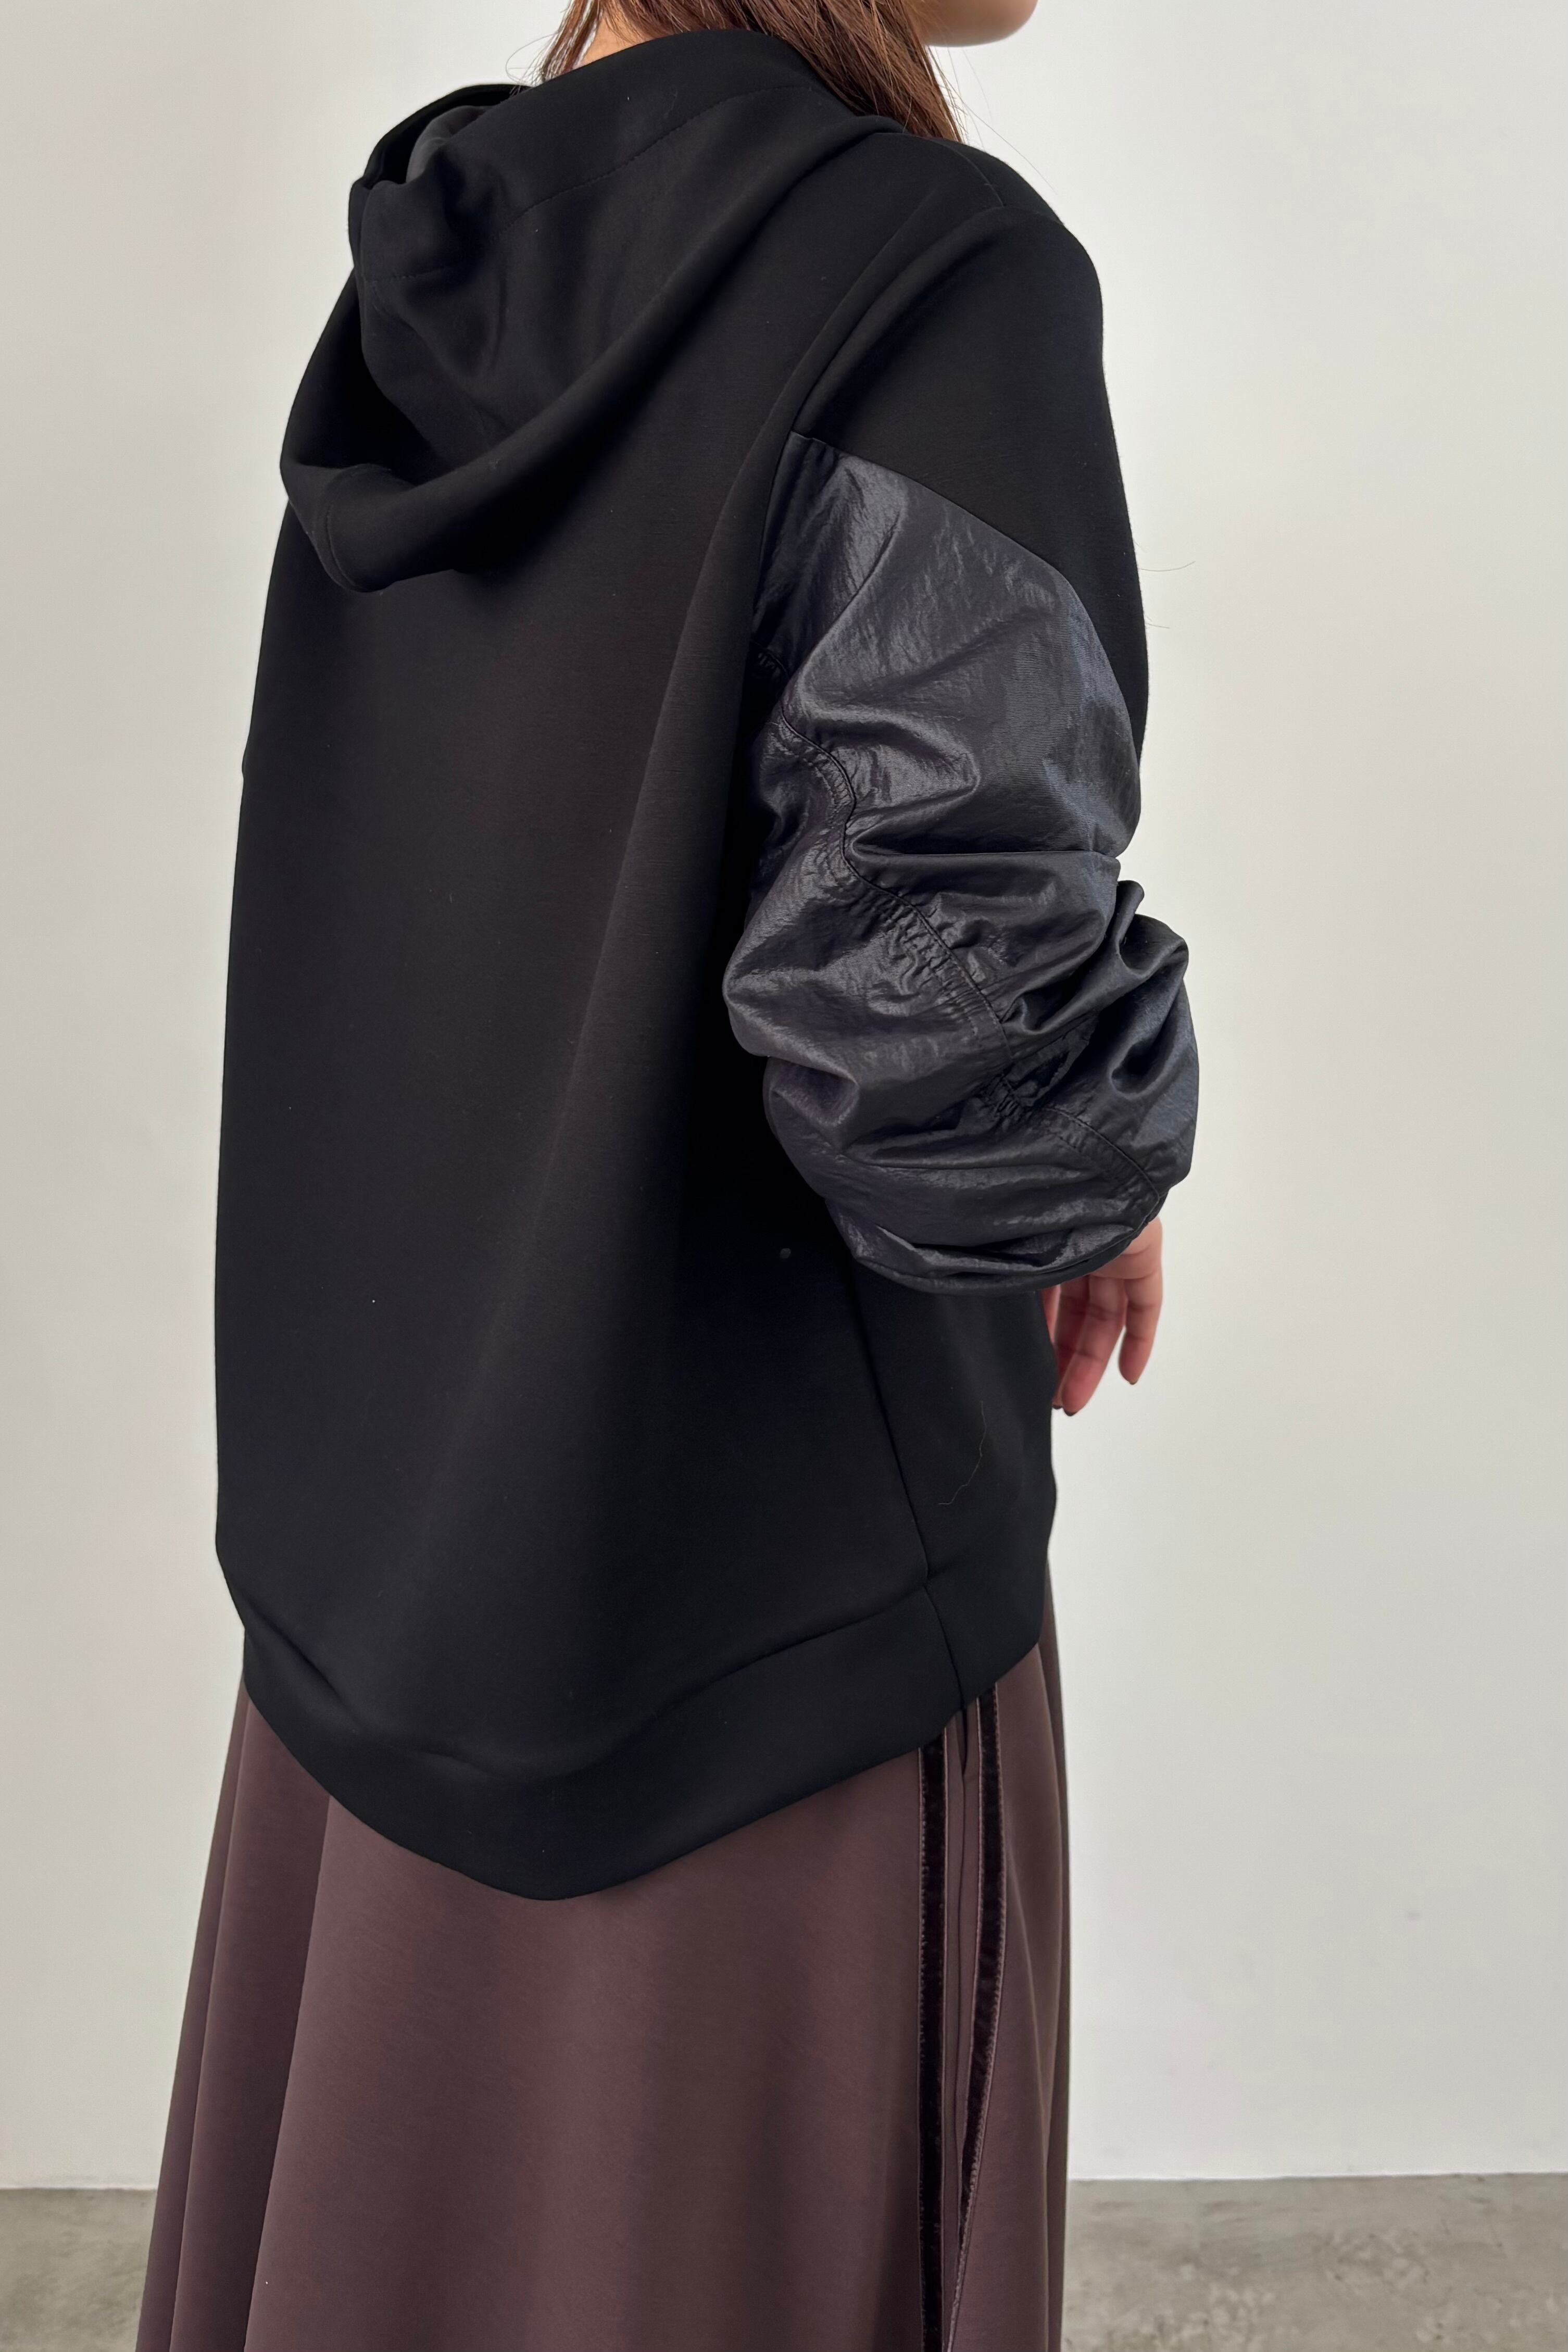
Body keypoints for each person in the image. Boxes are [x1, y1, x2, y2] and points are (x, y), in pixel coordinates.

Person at [135, 0, 1197, 2343]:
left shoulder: (455, 260)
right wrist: (1098, 1157)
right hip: (758, 1657)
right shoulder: (933, 276)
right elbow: (932, 1014)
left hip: (389, 1602)